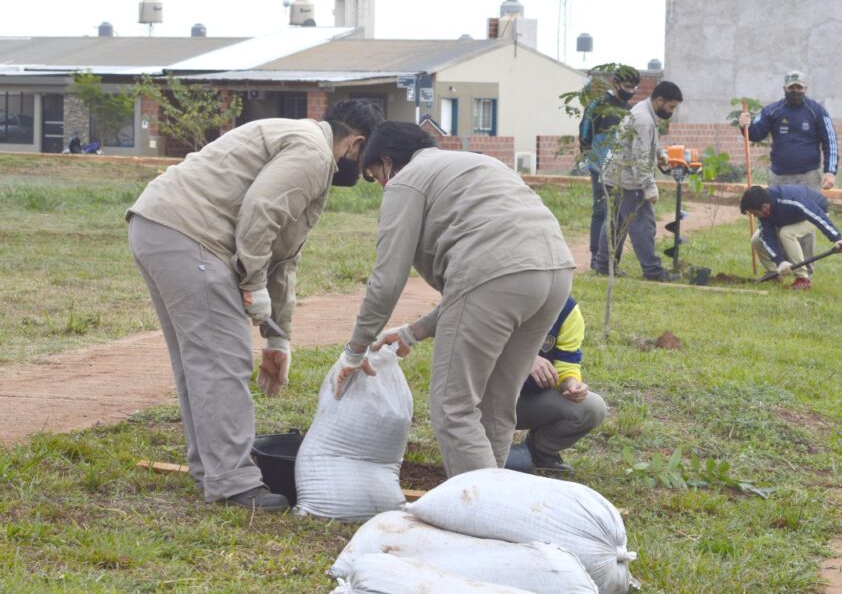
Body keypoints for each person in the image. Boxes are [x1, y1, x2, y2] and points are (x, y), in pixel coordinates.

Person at [126, 99, 385, 511]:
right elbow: (261, 210)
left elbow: (285, 255)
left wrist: (278, 338)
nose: (365, 175)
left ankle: (212, 471)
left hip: (160, 227)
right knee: (221, 360)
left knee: (200, 361)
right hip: (191, 233)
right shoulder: (313, 152)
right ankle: (234, 485)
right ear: (356, 143)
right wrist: (251, 281)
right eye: (368, 163)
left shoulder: (300, 140)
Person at [334, 122, 575, 478]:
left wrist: (354, 351)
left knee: (453, 407)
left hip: (497, 275)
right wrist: (412, 333)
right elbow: (479, 290)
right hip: (556, 275)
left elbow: (387, 281)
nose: (382, 186)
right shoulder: (478, 164)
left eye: (375, 177)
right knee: (497, 404)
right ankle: (499, 507)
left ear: (386, 161)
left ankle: (483, 511)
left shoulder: (406, 179)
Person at [593, 80, 684, 283]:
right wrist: (649, 186)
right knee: (643, 225)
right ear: (659, 100)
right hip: (627, 180)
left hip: (614, 176)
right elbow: (639, 156)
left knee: (614, 224)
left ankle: (603, 266)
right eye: (671, 107)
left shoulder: (644, 110)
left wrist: (659, 154)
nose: (672, 112)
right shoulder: (643, 119)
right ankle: (652, 270)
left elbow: (644, 145)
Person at [516, 296, 607, 475]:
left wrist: (572, 384)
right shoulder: (501, 296)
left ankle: (539, 451)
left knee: (591, 407)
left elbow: (567, 364)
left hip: (524, 402)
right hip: (484, 400)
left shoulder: (567, 309)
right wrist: (524, 358)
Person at [579, 65, 640, 270]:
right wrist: (591, 159)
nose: (631, 91)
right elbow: (585, 133)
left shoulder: (630, 110)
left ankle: (611, 259)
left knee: (618, 215)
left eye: (634, 88)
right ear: (615, 83)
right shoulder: (598, 105)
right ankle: (596, 259)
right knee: (601, 212)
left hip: (622, 168)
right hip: (599, 166)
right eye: (627, 86)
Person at [737, 70, 839, 191]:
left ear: (805, 88)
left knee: (809, 210)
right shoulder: (772, 110)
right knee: (778, 210)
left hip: (808, 178)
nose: (795, 91)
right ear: (784, 88)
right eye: (791, 87)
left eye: (799, 87)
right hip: (779, 177)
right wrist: (744, 126)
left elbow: (830, 142)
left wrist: (830, 172)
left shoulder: (817, 111)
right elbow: (755, 134)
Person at [739, 184, 842, 290]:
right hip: (789, 217)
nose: (754, 216)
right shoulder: (764, 210)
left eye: (754, 213)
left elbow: (817, 216)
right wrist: (780, 262)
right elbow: (767, 236)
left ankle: (803, 279)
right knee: (757, 239)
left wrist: (837, 238)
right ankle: (774, 274)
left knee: (786, 233)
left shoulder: (791, 199)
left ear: (764, 207)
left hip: (815, 212)